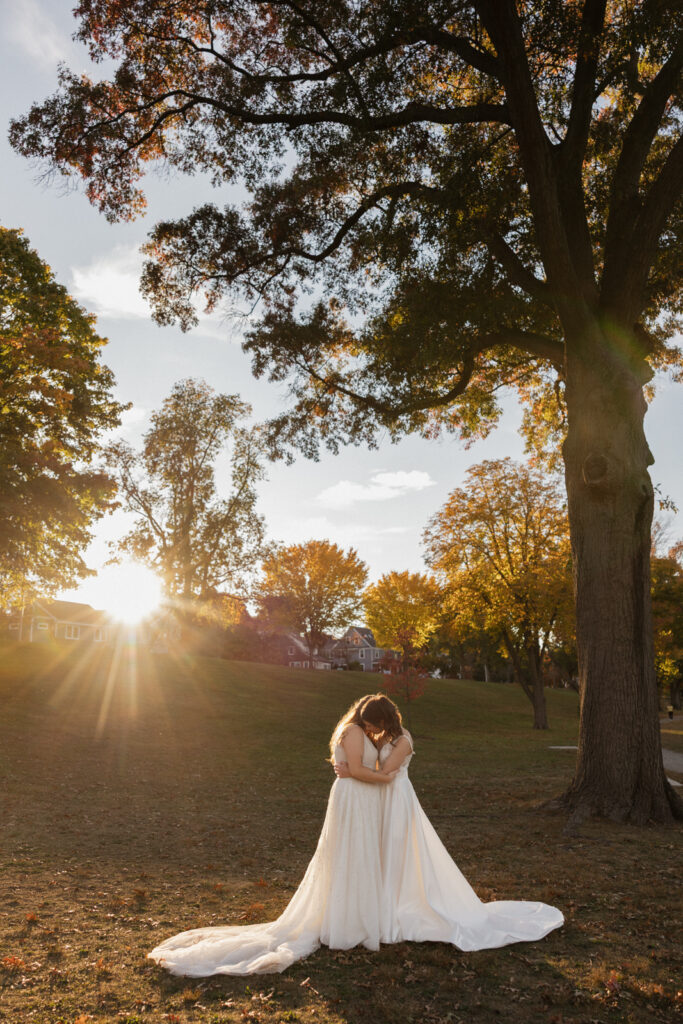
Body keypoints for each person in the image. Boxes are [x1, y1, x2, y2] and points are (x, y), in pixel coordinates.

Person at [148, 695, 395, 976]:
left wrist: (366, 773)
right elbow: (357, 770)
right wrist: (386, 778)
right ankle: (346, 924)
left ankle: (355, 917)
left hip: (360, 798)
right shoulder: (353, 731)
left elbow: (357, 769)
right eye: (376, 723)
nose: (376, 729)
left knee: (358, 856)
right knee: (350, 856)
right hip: (353, 798)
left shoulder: (360, 733)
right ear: (367, 717)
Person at [335, 694, 564, 950]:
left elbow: (386, 771)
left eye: (372, 724)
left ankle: (400, 905)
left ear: (384, 720)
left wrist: (352, 771)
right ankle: (382, 902)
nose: (369, 728)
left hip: (397, 796)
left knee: (398, 847)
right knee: (383, 847)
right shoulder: (383, 737)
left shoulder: (404, 740)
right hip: (381, 794)